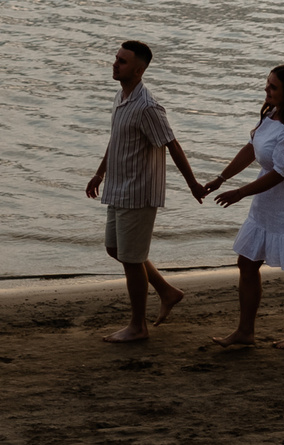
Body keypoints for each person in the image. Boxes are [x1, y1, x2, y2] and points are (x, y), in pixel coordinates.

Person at [84, 39, 208, 342]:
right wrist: (100, 172)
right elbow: (117, 139)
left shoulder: (147, 107)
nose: (115, 64)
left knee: (130, 257)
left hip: (138, 192)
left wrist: (193, 184)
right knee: (116, 250)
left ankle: (138, 326)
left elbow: (172, 144)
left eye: (122, 61)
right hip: (118, 187)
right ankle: (167, 291)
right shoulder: (121, 97)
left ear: (139, 70)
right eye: (116, 58)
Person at [207, 63, 284, 349]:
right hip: (266, 203)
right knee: (246, 263)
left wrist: (240, 192)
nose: (266, 90)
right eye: (267, 84)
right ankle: (245, 331)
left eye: (273, 87)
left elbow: (280, 173)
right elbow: (251, 148)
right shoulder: (271, 115)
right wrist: (221, 178)